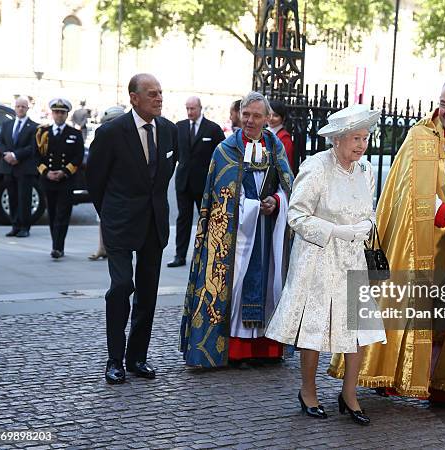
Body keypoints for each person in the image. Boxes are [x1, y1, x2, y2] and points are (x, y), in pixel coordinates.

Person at [328, 76, 445, 405]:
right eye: (443, 103)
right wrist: (444, 212)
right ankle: (399, 374)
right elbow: (407, 192)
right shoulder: (419, 136)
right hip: (423, 240)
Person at [265, 104, 386, 425]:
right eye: (356, 139)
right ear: (337, 140)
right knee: (314, 327)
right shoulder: (316, 167)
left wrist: (365, 226)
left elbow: (368, 211)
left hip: (352, 257)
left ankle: (349, 394)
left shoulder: (366, 170)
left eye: (365, 138)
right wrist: (335, 230)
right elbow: (296, 215)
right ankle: (308, 391)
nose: (362, 145)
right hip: (317, 258)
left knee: (357, 329)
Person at [180, 91, 294, 368]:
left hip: (268, 233)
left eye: (256, 116)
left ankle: (266, 349)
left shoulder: (275, 147)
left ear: (267, 119)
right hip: (234, 239)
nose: (250, 121)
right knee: (236, 287)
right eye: (246, 115)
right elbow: (220, 196)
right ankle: (237, 350)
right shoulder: (226, 150)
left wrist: (277, 201)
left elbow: (289, 186)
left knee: (269, 286)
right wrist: (252, 207)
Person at [87, 73, 178, 384]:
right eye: (152, 93)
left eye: (161, 93)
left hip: (154, 223)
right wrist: (111, 215)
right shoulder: (111, 132)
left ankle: (137, 357)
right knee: (122, 286)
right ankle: (115, 360)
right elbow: (95, 180)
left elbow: (165, 173)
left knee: (147, 293)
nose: (159, 98)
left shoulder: (168, 131)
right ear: (134, 98)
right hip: (120, 223)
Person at [167, 96, 226, 268]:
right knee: (182, 219)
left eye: (193, 108)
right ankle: (180, 255)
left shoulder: (213, 129)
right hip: (183, 181)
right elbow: (173, 153)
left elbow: (221, 155)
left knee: (206, 219)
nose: (190, 112)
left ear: (200, 108)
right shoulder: (180, 127)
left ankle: (205, 255)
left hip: (204, 183)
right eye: (187, 109)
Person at [34, 99, 84, 258]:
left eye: (62, 112)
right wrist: (46, 172)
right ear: (52, 113)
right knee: (53, 214)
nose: (59, 115)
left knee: (63, 214)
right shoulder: (42, 133)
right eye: (56, 112)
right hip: (48, 179)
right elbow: (36, 156)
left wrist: (64, 172)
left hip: (66, 180)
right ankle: (55, 243)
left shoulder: (74, 134)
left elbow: (78, 157)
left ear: (67, 114)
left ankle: (58, 247)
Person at [87, 105, 126, 261]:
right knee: (101, 217)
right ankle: (102, 248)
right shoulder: (103, 136)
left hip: (120, 188)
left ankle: (109, 248)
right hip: (107, 186)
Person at [0, 97, 38, 238]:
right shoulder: (7, 124)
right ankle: (15, 225)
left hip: (24, 168)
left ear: (27, 109)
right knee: (12, 198)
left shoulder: (33, 127)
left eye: (23, 106)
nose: (20, 108)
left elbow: (32, 147)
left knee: (24, 199)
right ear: (15, 108)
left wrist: (16, 156)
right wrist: (6, 155)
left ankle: (24, 227)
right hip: (8, 167)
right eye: (18, 106)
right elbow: (1, 142)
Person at [267, 99, 294, 170]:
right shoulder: (263, 132)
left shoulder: (284, 138)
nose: (271, 118)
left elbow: (286, 165)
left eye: (275, 115)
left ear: (283, 118)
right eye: (268, 115)